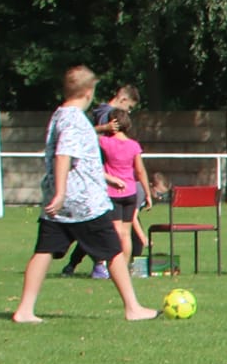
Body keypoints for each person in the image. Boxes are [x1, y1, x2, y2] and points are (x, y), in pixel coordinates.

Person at [13, 66, 156, 323]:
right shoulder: (75, 120)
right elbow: (64, 155)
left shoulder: (60, 115)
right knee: (113, 251)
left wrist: (104, 178)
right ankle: (133, 308)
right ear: (89, 92)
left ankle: (24, 310)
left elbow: (79, 162)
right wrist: (61, 192)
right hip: (83, 204)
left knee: (44, 250)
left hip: (63, 203)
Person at [64, 106, 151, 278]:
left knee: (115, 233)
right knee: (126, 234)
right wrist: (147, 193)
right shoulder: (134, 146)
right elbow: (140, 171)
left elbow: (83, 134)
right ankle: (123, 269)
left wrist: (102, 128)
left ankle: (111, 269)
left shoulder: (105, 142)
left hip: (112, 193)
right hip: (130, 193)